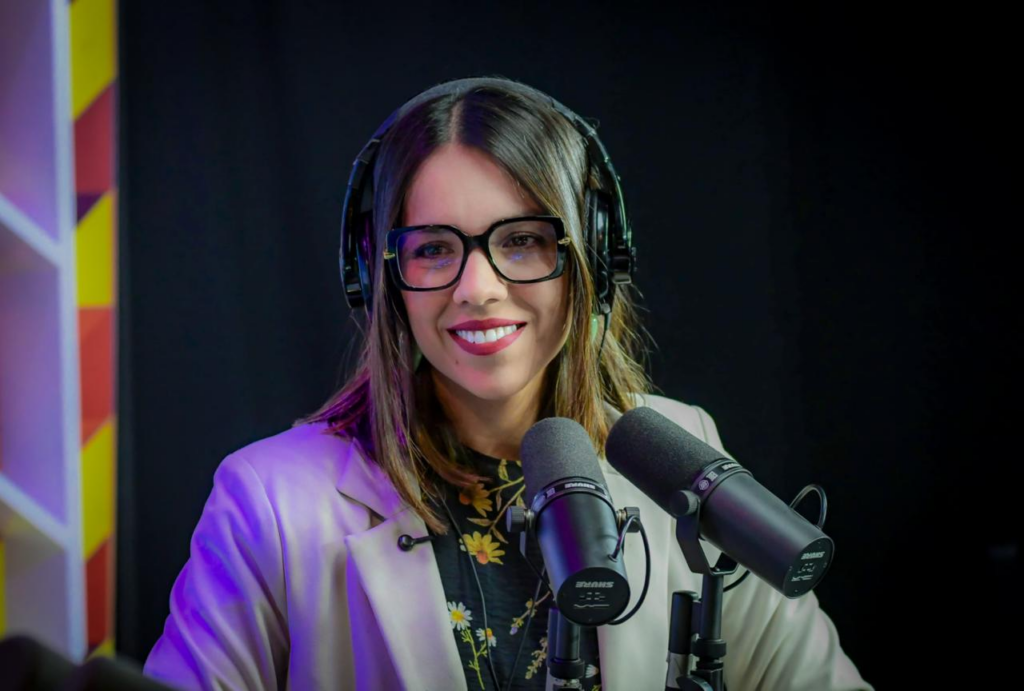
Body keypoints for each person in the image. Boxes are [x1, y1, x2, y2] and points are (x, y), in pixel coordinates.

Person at [144, 77, 872, 690]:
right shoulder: (267, 504)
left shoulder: (683, 451)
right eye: (434, 249)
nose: (478, 287)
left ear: (594, 257)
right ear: (379, 275)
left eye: (522, 240)